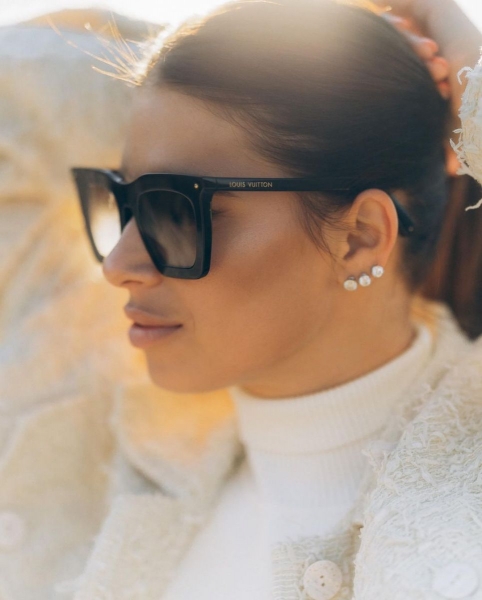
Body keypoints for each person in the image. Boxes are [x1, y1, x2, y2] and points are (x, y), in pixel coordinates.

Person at [1, 1, 482, 600]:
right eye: (120, 200)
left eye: (176, 210)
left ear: (360, 237)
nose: (118, 267)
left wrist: (466, 63)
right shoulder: (117, 439)